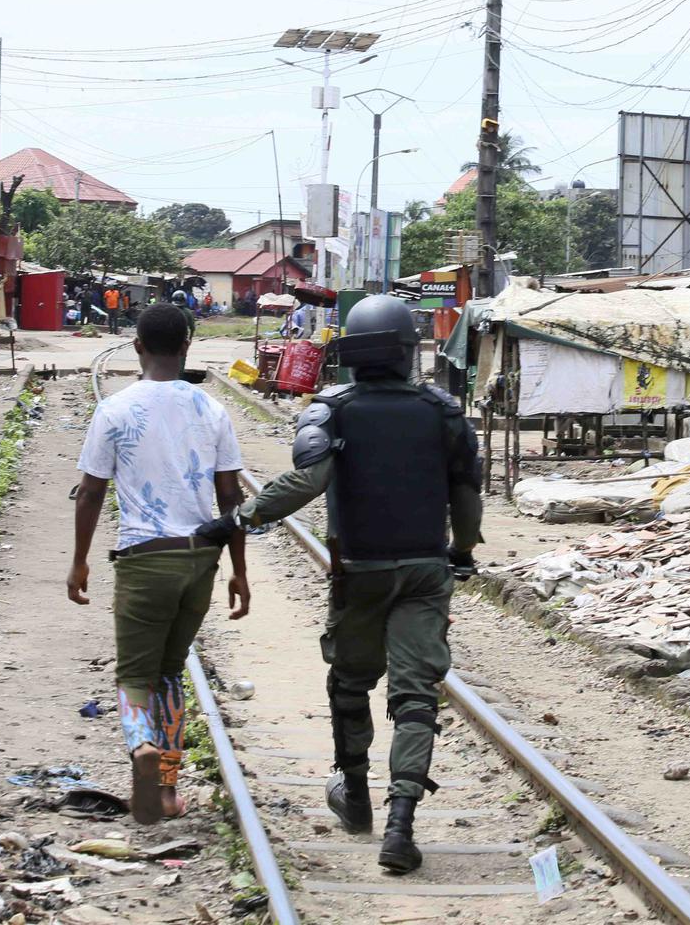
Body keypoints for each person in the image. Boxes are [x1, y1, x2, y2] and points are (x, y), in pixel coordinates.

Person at [197, 295, 482, 875]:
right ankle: (401, 824)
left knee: (350, 682)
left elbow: (307, 481)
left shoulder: (334, 411)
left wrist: (240, 520)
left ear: (352, 351)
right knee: (416, 696)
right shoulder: (444, 413)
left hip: (360, 571)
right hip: (426, 572)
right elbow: (467, 499)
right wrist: (461, 551)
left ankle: (354, 796)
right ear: (407, 351)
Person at [70, 303, 252, 823]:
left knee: (134, 675)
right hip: (200, 560)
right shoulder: (212, 410)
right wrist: (239, 569)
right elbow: (230, 497)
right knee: (171, 672)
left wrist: (80, 561)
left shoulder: (115, 410)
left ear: (137, 348)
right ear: (188, 347)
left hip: (143, 559)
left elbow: (90, 492)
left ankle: (141, 748)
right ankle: (168, 790)